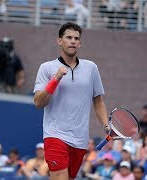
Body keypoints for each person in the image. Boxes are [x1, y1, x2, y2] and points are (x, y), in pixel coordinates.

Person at [33, 22, 110, 180]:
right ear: (59, 41)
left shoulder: (91, 68)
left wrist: (105, 123)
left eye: (76, 38)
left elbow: (98, 100)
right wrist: (56, 79)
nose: (73, 41)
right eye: (68, 37)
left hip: (80, 140)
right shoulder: (47, 68)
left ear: (80, 43)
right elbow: (38, 102)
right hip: (55, 135)